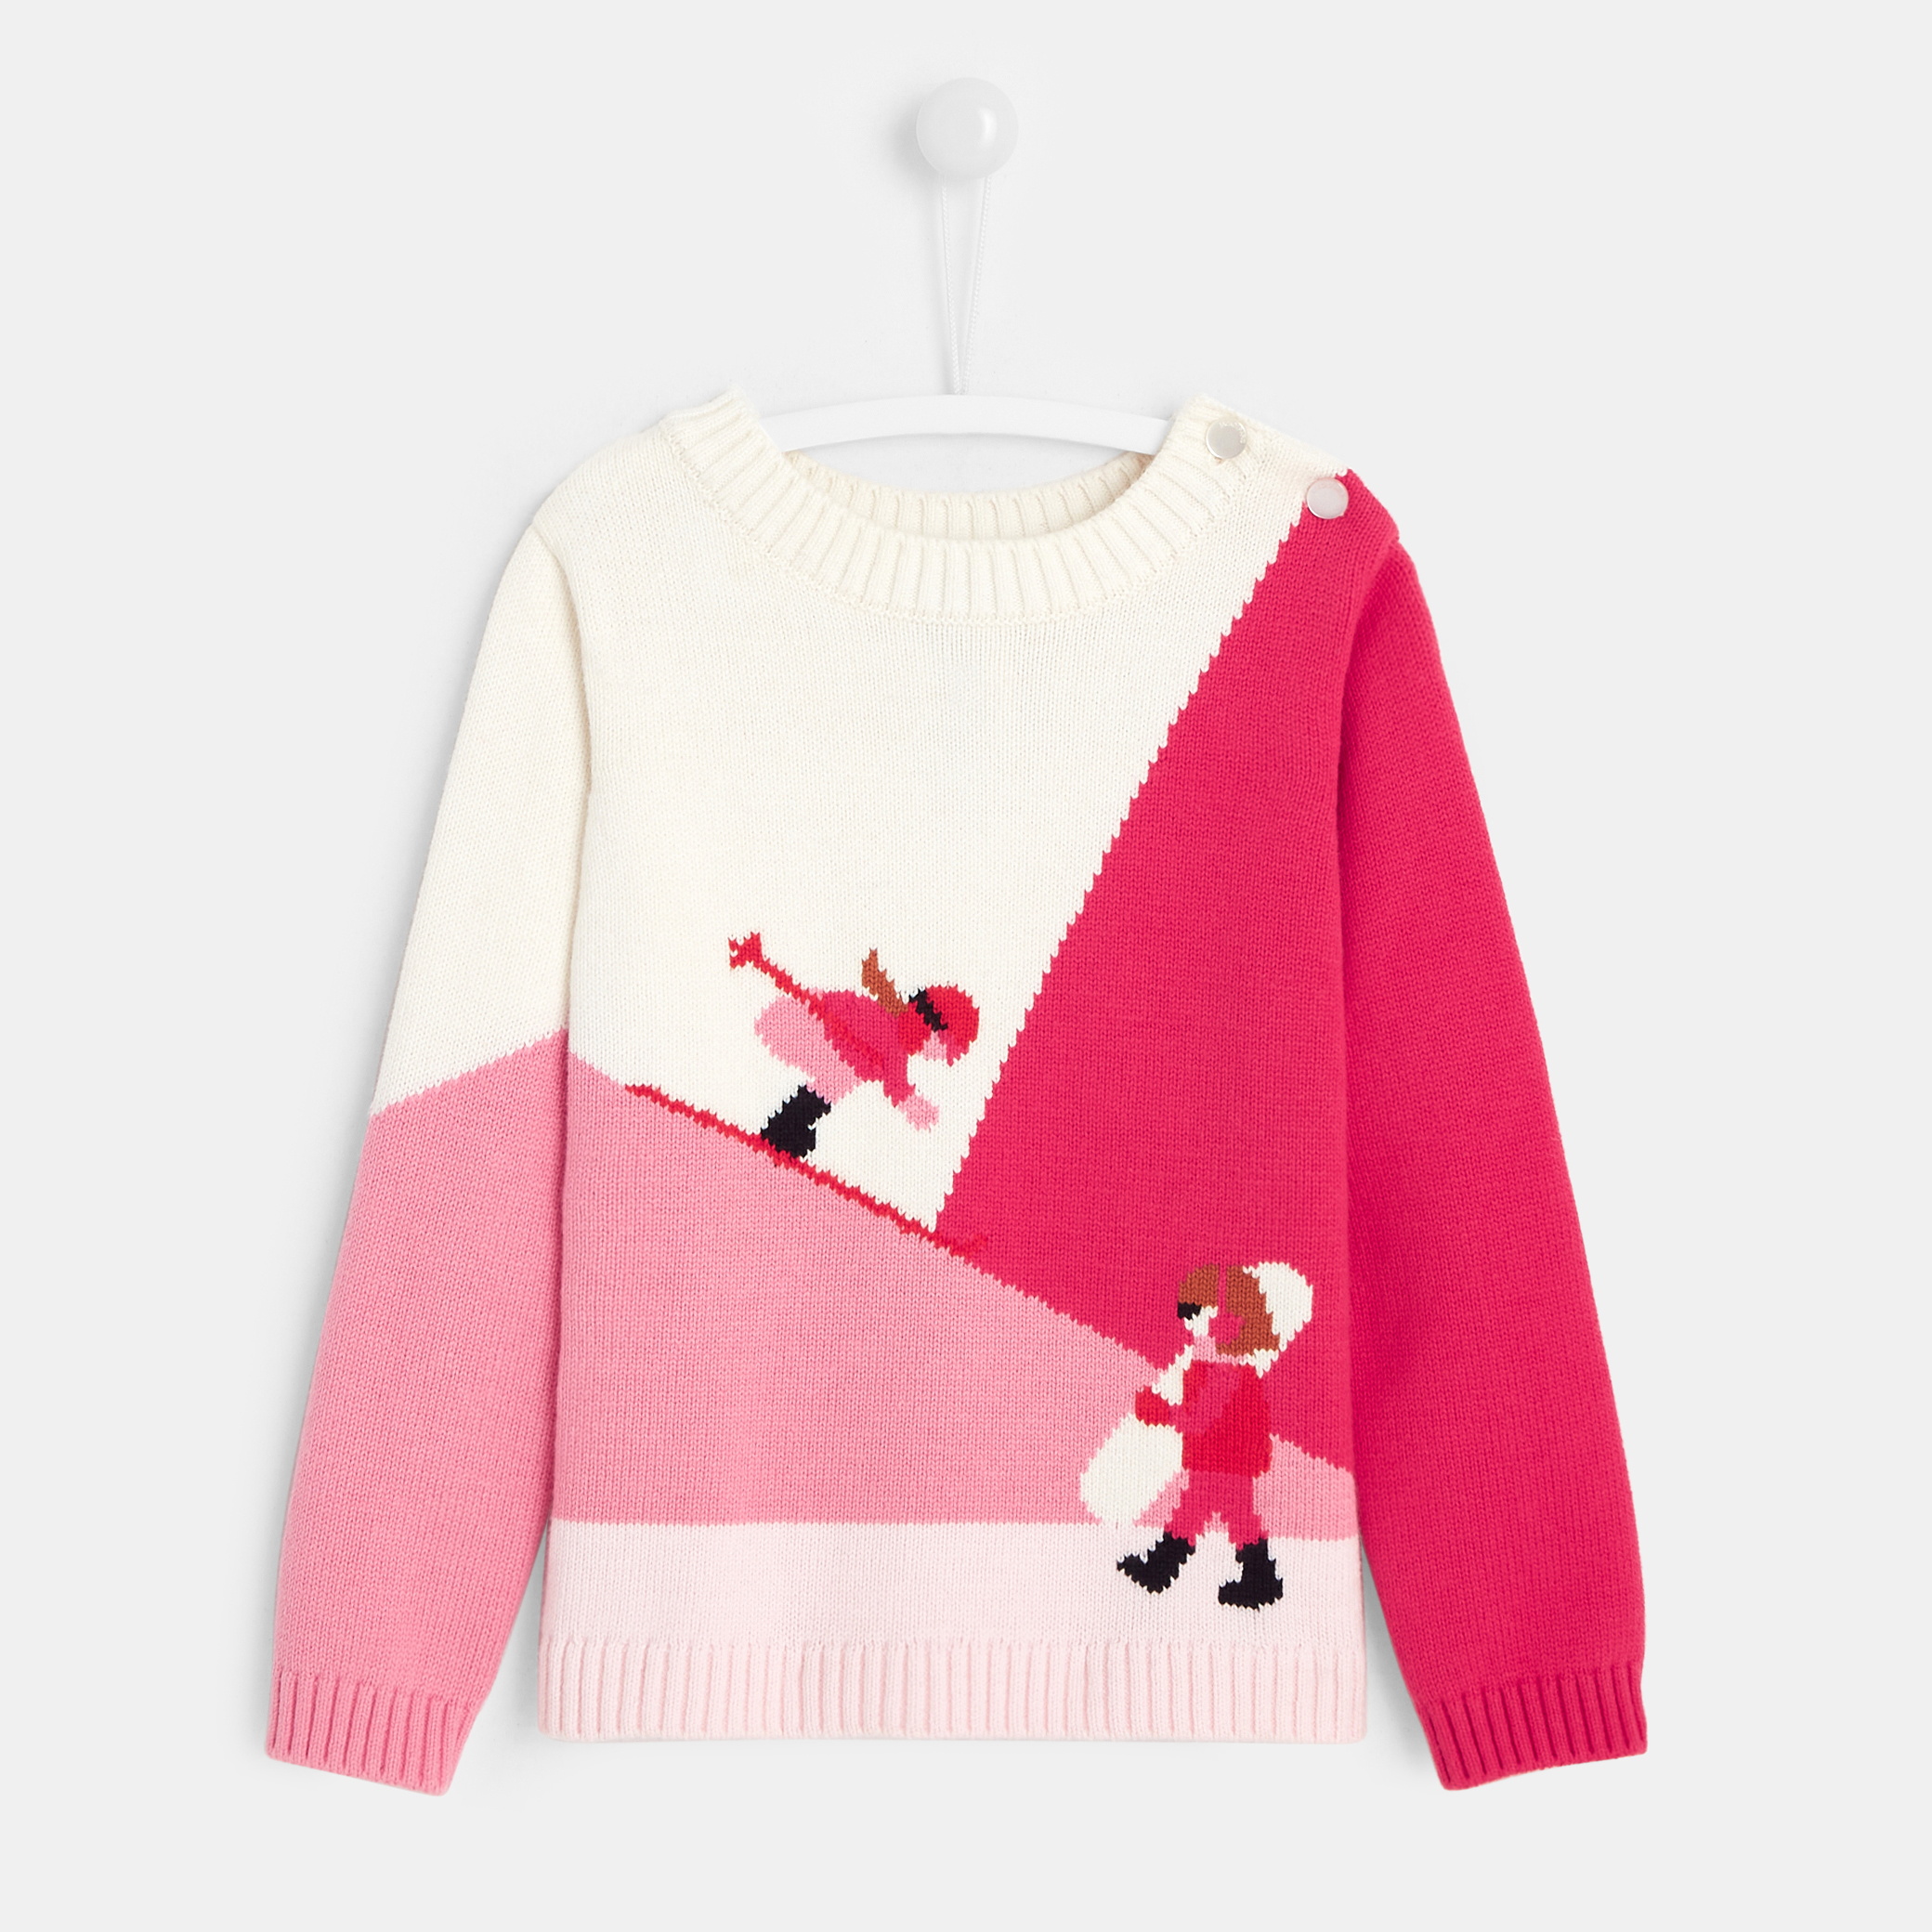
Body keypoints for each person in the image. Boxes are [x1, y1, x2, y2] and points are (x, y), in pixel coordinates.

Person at [1118, 1265, 1285, 1608]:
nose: (1191, 1326)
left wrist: (1159, 1411)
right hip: (1220, 1459)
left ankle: (1257, 1580)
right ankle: (1163, 1569)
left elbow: (1197, 1419)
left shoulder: (1225, 1372)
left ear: (1229, 1319)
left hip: (1223, 1460)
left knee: (1225, 1517)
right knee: (1204, 1513)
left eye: (1198, 1315)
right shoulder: (1222, 1367)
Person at [729, 934, 979, 1157]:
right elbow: (897, 1087)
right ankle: (785, 1130)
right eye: (943, 1049)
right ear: (934, 1032)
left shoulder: (893, 1032)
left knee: (834, 1082)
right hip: (806, 1025)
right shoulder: (894, 1042)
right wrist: (916, 1107)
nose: (938, 1058)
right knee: (833, 1080)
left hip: (810, 1026)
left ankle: (786, 1129)